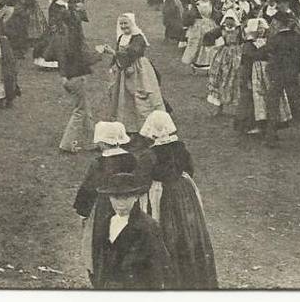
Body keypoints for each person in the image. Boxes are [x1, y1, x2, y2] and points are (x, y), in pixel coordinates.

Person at [138, 111, 218, 288]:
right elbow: (190, 169)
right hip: (184, 192)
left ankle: (171, 278)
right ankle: (192, 274)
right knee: (187, 230)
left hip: (162, 195)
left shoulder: (149, 155)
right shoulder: (180, 148)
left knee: (167, 231)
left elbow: (141, 180)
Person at [73, 122, 146, 285]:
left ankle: (105, 274)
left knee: (102, 239)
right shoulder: (132, 158)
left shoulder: (98, 163)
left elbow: (88, 188)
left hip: (105, 207)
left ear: (101, 142)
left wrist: (83, 212)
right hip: (129, 204)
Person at [90, 172, 174, 290]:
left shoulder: (147, 226)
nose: (120, 203)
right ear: (109, 197)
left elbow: (159, 265)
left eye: (126, 198)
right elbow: (99, 259)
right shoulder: (106, 222)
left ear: (136, 197)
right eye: (115, 197)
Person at [253, 0, 300, 147]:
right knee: (298, 105)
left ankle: (271, 138)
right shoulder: (298, 37)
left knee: (273, 104)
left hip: (276, 75)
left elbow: (261, 53)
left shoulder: (275, 39)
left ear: (280, 24)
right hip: (293, 74)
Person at [101, 14, 167, 134]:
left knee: (141, 95)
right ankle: (131, 125)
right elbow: (119, 52)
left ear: (132, 23)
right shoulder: (121, 37)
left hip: (138, 69)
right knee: (126, 97)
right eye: (121, 23)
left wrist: (113, 53)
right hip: (125, 69)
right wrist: (113, 65)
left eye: (126, 23)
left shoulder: (138, 37)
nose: (123, 26)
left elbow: (133, 53)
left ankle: (148, 123)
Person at [52, 0, 97, 153]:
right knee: (79, 111)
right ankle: (67, 144)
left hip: (68, 76)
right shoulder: (74, 40)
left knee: (85, 108)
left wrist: (62, 74)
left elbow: (54, 55)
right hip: (77, 76)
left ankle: (93, 141)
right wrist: (99, 53)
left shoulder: (59, 37)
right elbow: (85, 58)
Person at [205, 9, 244, 117]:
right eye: (227, 19)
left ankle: (237, 110)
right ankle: (219, 108)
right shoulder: (221, 29)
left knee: (235, 80)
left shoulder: (239, 30)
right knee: (221, 79)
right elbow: (209, 35)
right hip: (223, 55)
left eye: (231, 20)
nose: (229, 22)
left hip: (236, 56)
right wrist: (210, 45)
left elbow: (244, 41)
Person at [181, 0, 217, 75]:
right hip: (202, 26)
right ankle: (201, 67)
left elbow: (191, 16)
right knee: (198, 46)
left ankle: (205, 67)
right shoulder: (201, 4)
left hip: (202, 25)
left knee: (205, 46)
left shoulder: (203, 4)